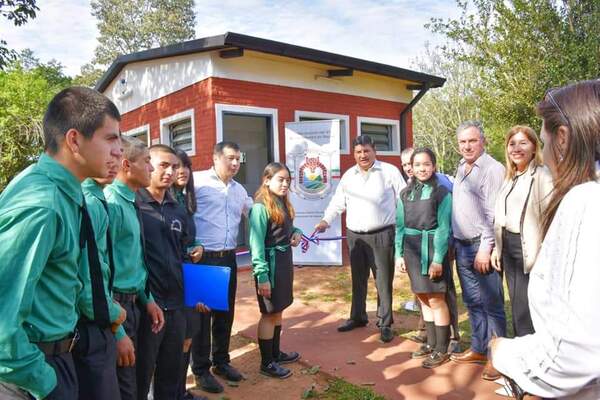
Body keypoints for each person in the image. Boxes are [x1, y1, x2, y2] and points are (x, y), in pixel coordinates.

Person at [0, 87, 122, 400]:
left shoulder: (66, 192)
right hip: (29, 375)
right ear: (73, 139)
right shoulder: (41, 205)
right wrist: (46, 384)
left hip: (57, 358)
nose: (120, 151)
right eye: (110, 138)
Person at [491, 80, 600, 399]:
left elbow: (577, 352)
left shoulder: (586, 201)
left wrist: (504, 354)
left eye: (543, 137)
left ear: (562, 138)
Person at [315, 135, 406, 343]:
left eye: (366, 151)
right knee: (358, 280)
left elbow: (403, 198)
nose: (362, 155)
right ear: (354, 154)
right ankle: (358, 317)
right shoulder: (349, 176)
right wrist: (325, 220)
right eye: (358, 152)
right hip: (355, 236)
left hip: (382, 234)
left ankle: (385, 323)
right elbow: (338, 202)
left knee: (383, 280)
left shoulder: (389, 172)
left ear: (374, 151)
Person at [135, 145, 204, 400]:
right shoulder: (134, 205)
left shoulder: (179, 210)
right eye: (163, 165)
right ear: (148, 164)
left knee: (171, 376)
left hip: (176, 306)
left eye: (174, 166)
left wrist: (196, 249)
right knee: (139, 379)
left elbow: (187, 248)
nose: (170, 172)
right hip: (145, 307)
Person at [104, 136, 165, 400]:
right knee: (125, 387)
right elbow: (100, 272)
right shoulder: (111, 204)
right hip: (117, 308)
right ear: (127, 165)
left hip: (135, 304)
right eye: (147, 161)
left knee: (141, 380)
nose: (151, 168)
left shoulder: (130, 200)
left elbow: (132, 262)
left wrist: (147, 299)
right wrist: (116, 330)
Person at [190, 141, 252, 394]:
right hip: (203, 260)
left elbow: (257, 213)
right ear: (215, 158)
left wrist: (289, 226)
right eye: (230, 158)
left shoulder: (239, 190)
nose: (235, 163)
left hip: (228, 258)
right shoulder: (197, 182)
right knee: (202, 318)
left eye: (238, 158)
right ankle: (201, 370)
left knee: (224, 313)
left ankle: (221, 362)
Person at [449, 121, 506, 380]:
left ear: (482, 141)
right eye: (462, 142)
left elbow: (493, 213)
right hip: (462, 246)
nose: (467, 146)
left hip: (480, 247)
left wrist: (485, 248)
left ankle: (499, 359)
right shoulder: (462, 166)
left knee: (492, 304)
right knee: (472, 301)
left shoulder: (492, 169)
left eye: (472, 141)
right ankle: (479, 348)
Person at [491, 126, 553, 339]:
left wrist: (544, 252)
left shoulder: (542, 176)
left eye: (523, 143)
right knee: (517, 304)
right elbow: (501, 216)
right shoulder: (511, 177)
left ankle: (530, 360)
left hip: (529, 248)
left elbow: (550, 218)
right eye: (512, 144)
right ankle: (522, 353)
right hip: (508, 246)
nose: (516, 148)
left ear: (535, 147)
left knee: (526, 308)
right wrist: (496, 249)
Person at [73, 160, 128, 400]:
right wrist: (116, 322)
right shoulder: (91, 203)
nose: (115, 159)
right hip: (93, 324)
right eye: (109, 143)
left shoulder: (98, 199)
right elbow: (90, 281)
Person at [396, 148, 453, 369]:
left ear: (434, 166)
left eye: (426, 164)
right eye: (417, 164)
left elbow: (443, 228)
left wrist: (438, 259)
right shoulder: (405, 193)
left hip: (432, 249)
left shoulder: (442, 193)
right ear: (411, 167)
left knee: (437, 298)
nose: (421, 168)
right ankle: (430, 342)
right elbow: (399, 226)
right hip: (411, 250)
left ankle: (442, 347)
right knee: (422, 297)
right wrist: (398, 254)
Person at [249, 162, 303, 378]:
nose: (285, 184)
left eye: (287, 180)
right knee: (268, 313)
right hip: (269, 267)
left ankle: (275, 353)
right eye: (280, 179)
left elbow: (287, 227)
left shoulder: (281, 202)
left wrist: (296, 232)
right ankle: (266, 363)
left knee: (279, 310)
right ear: (267, 180)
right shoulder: (260, 207)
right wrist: (262, 276)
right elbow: (256, 245)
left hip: (283, 263)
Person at [172, 149, 208, 400]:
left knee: (188, 335)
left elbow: (189, 239)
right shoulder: (161, 201)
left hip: (190, 274)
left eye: (186, 166)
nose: (182, 170)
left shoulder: (185, 200)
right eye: (176, 166)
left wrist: (198, 248)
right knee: (175, 337)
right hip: (171, 279)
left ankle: (180, 390)